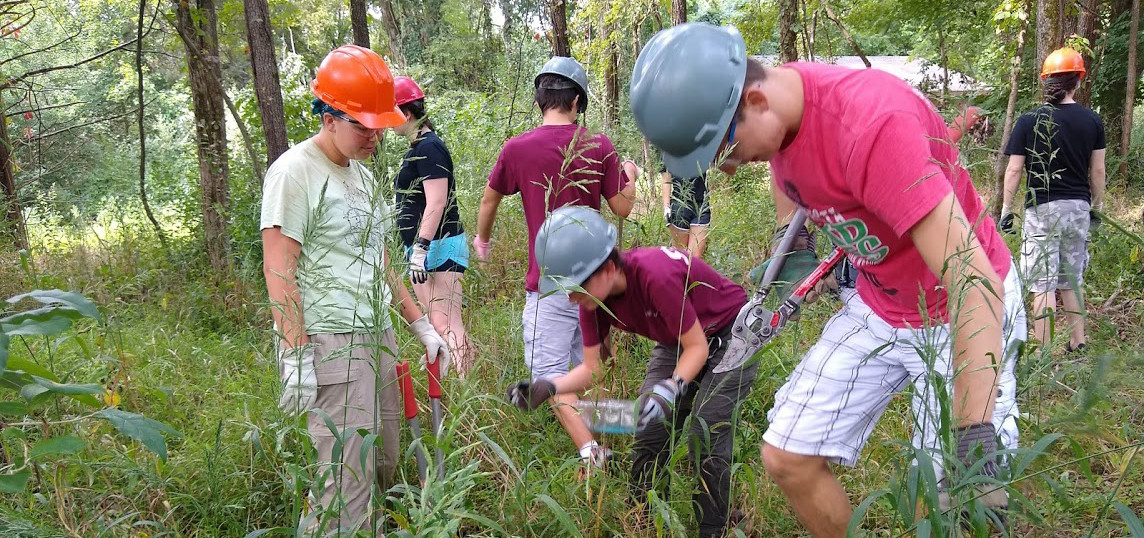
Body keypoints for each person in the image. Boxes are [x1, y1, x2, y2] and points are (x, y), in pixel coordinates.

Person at [629, 23, 1024, 535]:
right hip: (880, 302)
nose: (727, 169)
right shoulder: (781, 119)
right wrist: (791, 250)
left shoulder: (871, 127)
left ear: (755, 98)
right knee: (787, 454)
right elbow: (805, 186)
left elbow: (972, 278)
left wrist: (974, 427)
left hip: (958, 308)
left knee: (944, 496)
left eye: (723, 149)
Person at [261, 45, 451, 536]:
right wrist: (295, 353)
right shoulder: (294, 172)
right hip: (329, 342)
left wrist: (421, 324)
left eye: (378, 125)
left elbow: (380, 259)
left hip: (376, 332)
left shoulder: (363, 177)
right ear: (328, 116)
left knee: (386, 458)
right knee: (345, 476)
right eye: (361, 125)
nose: (374, 135)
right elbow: (279, 268)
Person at [506, 206, 757, 537]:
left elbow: (698, 348)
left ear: (608, 268)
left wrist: (672, 387)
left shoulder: (655, 275)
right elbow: (593, 369)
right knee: (649, 425)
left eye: (575, 287)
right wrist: (548, 386)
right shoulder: (593, 302)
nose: (570, 298)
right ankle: (644, 521)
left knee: (706, 430)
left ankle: (716, 528)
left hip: (730, 333)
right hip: (677, 338)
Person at [474, 56, 635, 475]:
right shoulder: (599, 146)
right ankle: (632, 432)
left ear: (540, 98)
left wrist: (483, 239)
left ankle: (597, 459)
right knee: (589, 372)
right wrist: (630, 178)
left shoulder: (517, 148)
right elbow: (623, 208)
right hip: (596, 285)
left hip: (546, 286)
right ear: (578, 101)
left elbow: (489, 199)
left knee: (550, 379)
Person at [1002, 46, 1106, 355]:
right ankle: (1079, 342)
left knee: (1041, 283)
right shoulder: (1092, 121)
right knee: (1070, 279)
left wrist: (1007, 210)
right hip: (1077, 208)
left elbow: (1014, 169)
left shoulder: (1029, 119)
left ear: (1046, 81)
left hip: (1041, 209)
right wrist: (1096, 208)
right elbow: (1097, 170)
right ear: (1079, 80)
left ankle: (1045, 352)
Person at [391, 75, 475, 377]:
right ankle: (458, 385)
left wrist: (420, 250)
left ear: (408, 113)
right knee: (437, 320)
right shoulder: (418, 147)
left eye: (392, 112)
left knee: (446, 322)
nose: (388, 121)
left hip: (438, 247)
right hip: (423, 249)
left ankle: (468, 394)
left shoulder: (429, 147)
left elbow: (437, 202)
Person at [660, 166, 711, 257]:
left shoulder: (702, 151)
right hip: (679, 205)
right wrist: (666, 207)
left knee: (694, 258)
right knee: (680, 256)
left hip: (701, 205)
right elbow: (666, 179)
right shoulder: (669, 152)